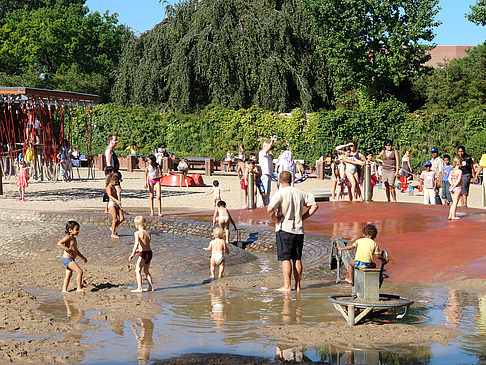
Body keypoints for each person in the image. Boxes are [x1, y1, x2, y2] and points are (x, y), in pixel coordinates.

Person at [267, 171, 318, 292]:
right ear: (292, 180)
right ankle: (298, 286)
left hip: (284, 229)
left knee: (286, 258)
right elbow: (314, 206)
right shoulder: (300, 193)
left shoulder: (280, 193)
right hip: (298, 230)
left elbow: (269, 209)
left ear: (279, 181)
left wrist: (275, 220)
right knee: (297, 258)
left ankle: (287, 286)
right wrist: (303, 217)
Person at [57, 221, 87, 293]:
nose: (78, 231)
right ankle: (79, 288)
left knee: (69, 274)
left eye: (78, 229)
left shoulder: (74, 239)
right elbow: (59, 243)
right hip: (67, 259)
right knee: (80, 272)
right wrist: (67, 249)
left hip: (70, 259)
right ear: (70, 230)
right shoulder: (68, 237)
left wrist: (82, 257)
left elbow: (76, 250)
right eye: (76, 229)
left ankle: (64, 289)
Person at [129, 216, 154, 292]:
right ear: (144, 224)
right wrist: (138, 250)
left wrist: (132, 254)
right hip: (149, 253)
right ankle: (151, 287)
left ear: (136, 225)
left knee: (137, 270)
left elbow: (136, 243)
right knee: (146, 271)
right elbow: (146, 245)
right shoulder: (148, 233)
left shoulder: (137, 233)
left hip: (143, 254)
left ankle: (140, 288)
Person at [106, 173, 125, 238]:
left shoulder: (113, 186)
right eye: (116, 182)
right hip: (112, 204)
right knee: (115, 219)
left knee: (122, 218)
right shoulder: (109, 187)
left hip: (116, 204)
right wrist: (116, 200)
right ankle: (113, 233)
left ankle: (112, 227)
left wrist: (119, 204)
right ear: (111, 181)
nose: (117, 183)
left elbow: (116, 195)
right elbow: (109, 195)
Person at [259, 138, 275, 206]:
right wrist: (272, 141)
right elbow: (267, 149)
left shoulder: (268, 154)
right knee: (264, 190)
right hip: (264, 173)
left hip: (269, 174)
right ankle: (261, 204)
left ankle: (266, 203)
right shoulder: (262, 152)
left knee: (268, 191)